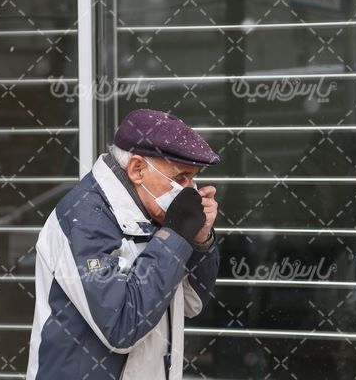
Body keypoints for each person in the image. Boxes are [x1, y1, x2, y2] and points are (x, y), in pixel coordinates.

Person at [26, 108, 221, 380]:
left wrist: (199, 239)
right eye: (180, 178)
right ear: (137, 169)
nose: (189, 191)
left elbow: (192, 303)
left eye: (193, 178)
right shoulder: (84, 219)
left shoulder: (154, 211)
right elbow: (121, 326)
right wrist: (176, 235)